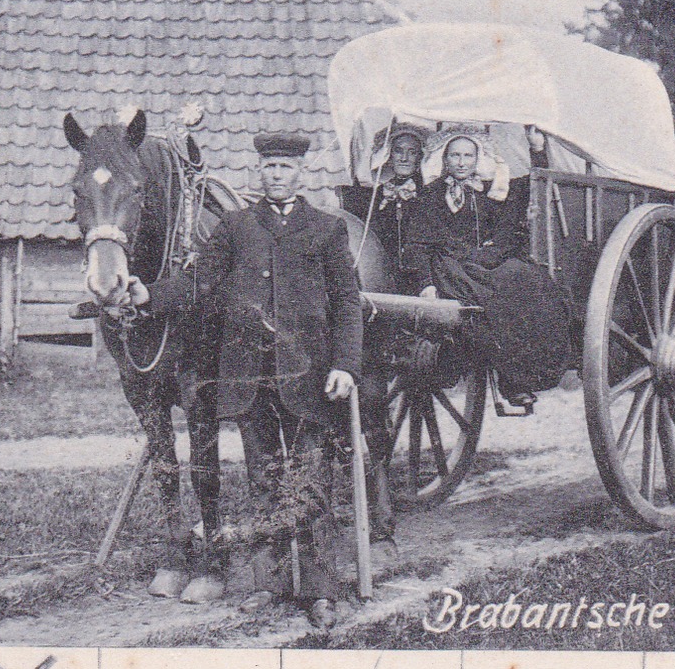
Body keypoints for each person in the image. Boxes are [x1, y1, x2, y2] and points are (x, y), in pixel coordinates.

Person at [131, 131, 362, 629]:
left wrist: (345, 364)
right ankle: (268, 585)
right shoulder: (236, 228)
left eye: (285, 168)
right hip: (249, 381)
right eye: (269, 168)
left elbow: (347, 302)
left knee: (313, 484)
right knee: (263, 483)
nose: (276, 176)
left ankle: (321, 590)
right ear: (259, 172)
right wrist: (148, 294)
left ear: (301, 174)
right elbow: (197, 283)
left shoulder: (326, 230)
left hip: (310, 379)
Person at [404, 132, 572, 410]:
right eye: (454, 155)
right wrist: (425, 283)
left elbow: (532, 186)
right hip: (448, 266)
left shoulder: (492, 192)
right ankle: (482, 365)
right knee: (479, 297)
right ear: (445, 160)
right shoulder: (430, 195)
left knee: (523, 280)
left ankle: (517, 378)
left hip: (485, 261)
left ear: (477, 159)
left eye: (467, 156)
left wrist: (537, 149)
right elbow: (416, 243)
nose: (461, 162)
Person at [345, 125, 426, 291]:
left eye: (412, 152)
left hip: (418, 277)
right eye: (398, 151)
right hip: (381, 273)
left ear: (419, 158)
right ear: (389, 155)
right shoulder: (375, 195)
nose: (404, 158)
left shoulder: (428, 194)